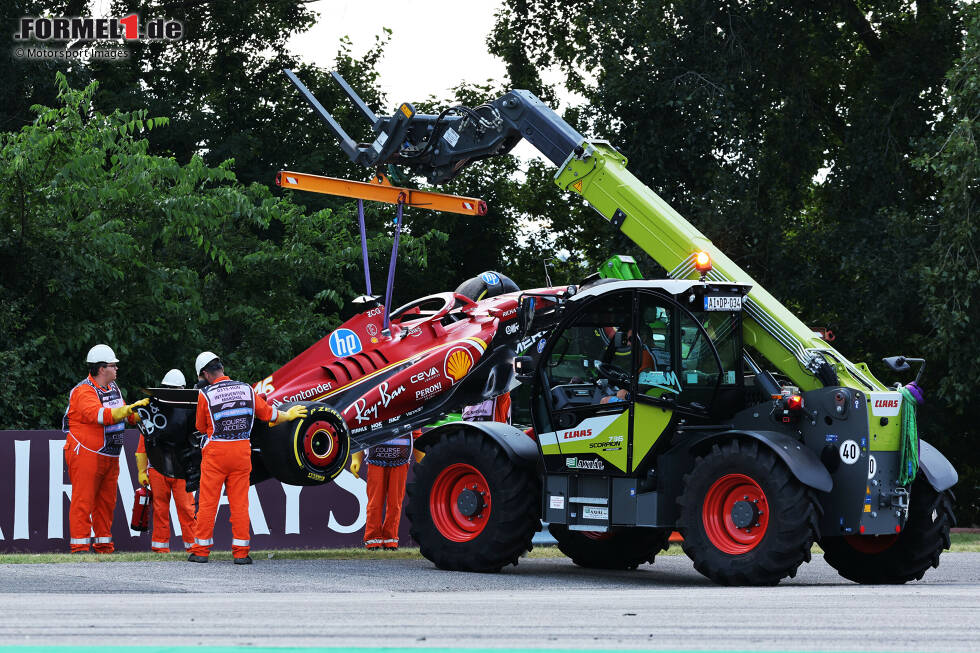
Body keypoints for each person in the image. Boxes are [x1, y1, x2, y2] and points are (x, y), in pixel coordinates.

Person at [187, 352, 307, 565]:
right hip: (242, 452)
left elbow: (199, 427)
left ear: (205, 374)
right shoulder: (247, 390)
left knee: (207, 504)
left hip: (216, 453)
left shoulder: (205, 395)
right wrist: (288, 415)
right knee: (240, 504)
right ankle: (241, 553)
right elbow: (269, 414)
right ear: (221, 368)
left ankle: (201, 551)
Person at [62, 344, 149, 553]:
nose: (117, 368)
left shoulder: (113, 388)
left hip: (109, 455)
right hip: (86, 454)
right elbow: (100, 416)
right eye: (113, 365)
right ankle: (80, 548)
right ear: (102, 369)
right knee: (83, 502)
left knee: (106, 503)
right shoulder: (83, 391)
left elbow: (126, 415)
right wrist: (130, 408)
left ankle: (104, 546)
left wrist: (141, 413)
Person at [134, 368, 197, 554]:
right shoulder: (188, 410)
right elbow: (143, 443)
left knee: (168, 509)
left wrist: (142, 470)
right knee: (183, 509)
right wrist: (142, 470)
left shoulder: (153, 411)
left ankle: (164, 548)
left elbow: (142, 444)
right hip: (175, 469)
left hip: (163, 468)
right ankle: (191, 547)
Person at [349, 432, 423, 550]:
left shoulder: (408, 413)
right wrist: (355, 459)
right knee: (375, 502)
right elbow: (362, 432)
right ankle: (372, 540)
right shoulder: (371, 413)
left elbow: (416, 435)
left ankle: (390, 540)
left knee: (395, 503)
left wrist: (423, 462)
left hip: (400, 461)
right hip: (376, 460)